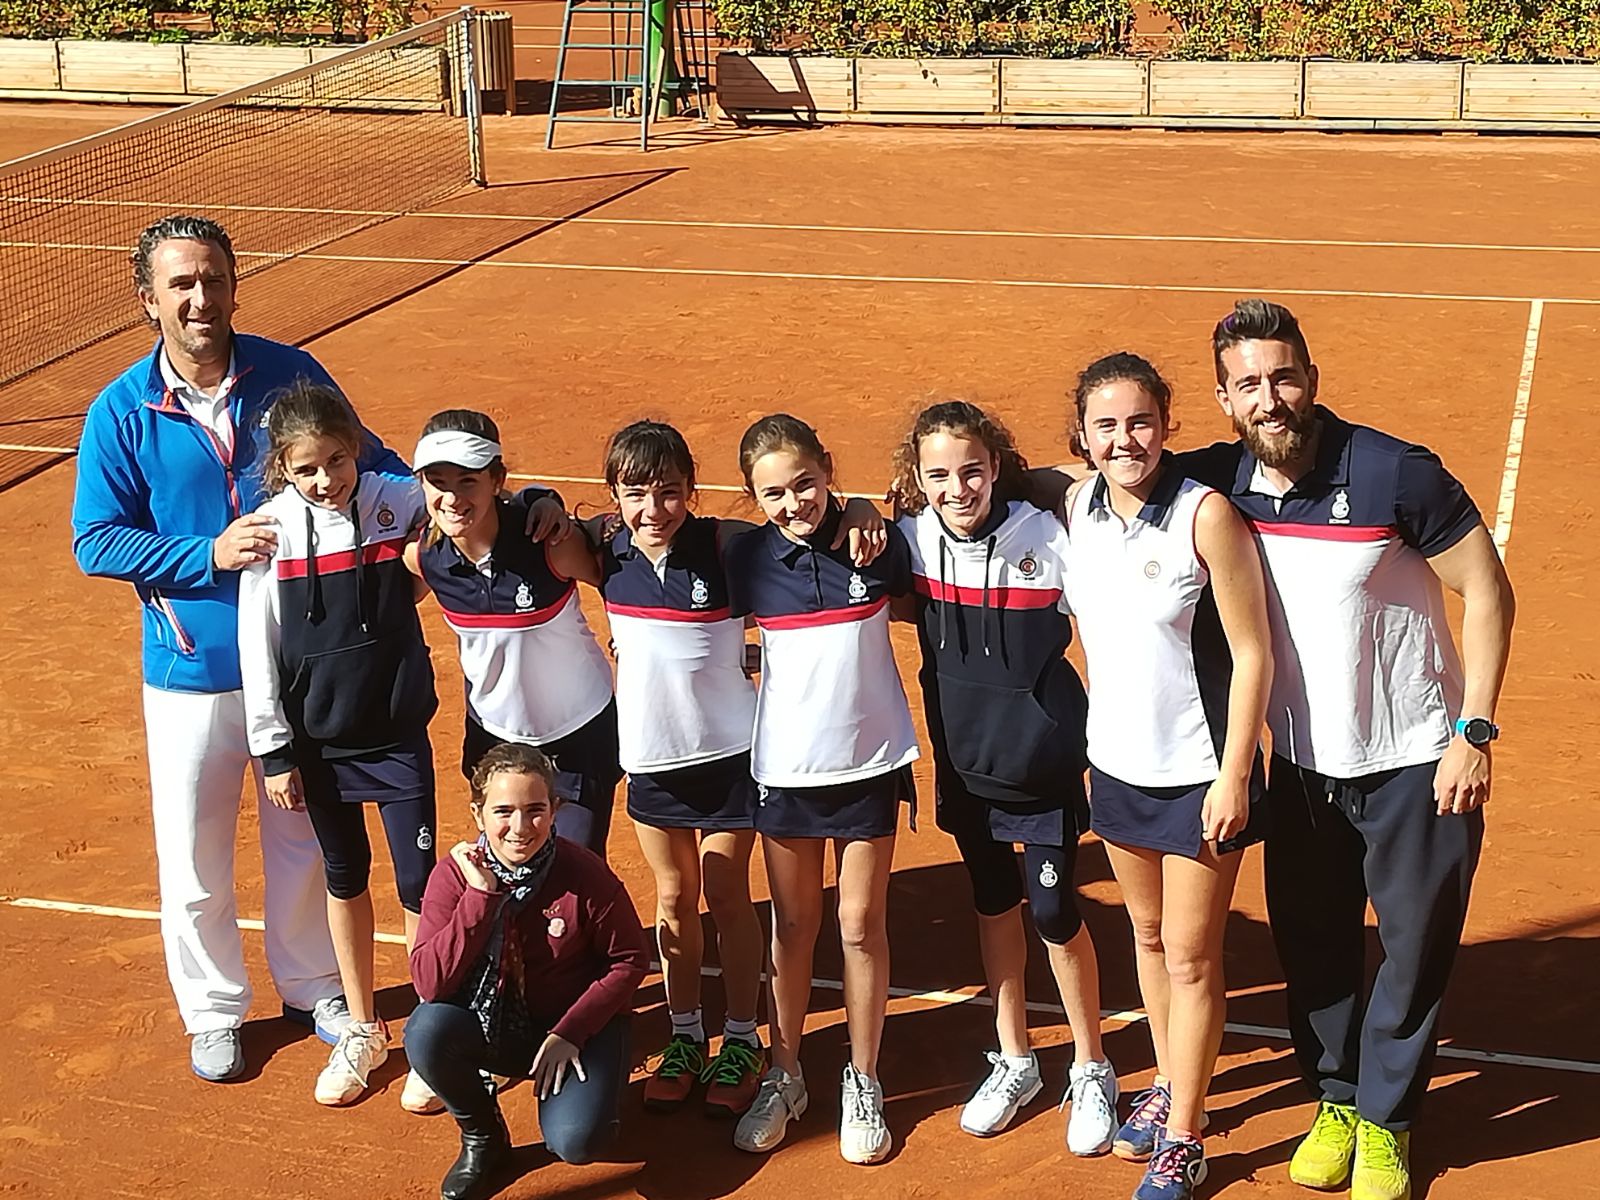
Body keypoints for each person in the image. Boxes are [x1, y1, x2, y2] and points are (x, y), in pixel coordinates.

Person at [1180, 300, 1515, 1200]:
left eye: (1284, 376)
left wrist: (1472, 731)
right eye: (1248, 384)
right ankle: (1336, 1099)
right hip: (1297, 769)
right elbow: (1100, 465)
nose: (1270, 398)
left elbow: (1486, 591)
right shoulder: (1215, 482)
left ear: (1312, 379)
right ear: (1223, 398)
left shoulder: (1395, 473)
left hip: (1415, 762)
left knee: (1413, 948)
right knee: (1315, 944)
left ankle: (1389, 1120)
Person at [71, 214, 407, 1081]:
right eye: (180, 284)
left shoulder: (290, 373)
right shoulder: (121, 410)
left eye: (213, 279)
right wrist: (205, 553)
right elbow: (95, 539)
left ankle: (310, 985)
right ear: (148, 300)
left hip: (301, 667)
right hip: (188, 670)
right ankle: (214, 1008)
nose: (199, 298)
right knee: (193, 850)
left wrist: (453, 499)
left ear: (233, 285)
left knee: (302, 838)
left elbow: (368, 463)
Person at [588, 419, 887, 1118]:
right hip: (650, 762)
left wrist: (867, 508)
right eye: (635, 495)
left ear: (693, 491)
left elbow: (816, 527)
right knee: (671, 899)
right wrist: (540, 502)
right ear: (614, 498)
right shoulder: (603, 551)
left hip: (729, 759)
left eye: (669, 492)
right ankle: (687, 1032)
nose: (653, 509)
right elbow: (528, 522)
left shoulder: (726, 546)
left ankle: (743, 1036)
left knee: (725, 891)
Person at [1058, 355, 1272, 1200]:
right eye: (1106, 425)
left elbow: (1253, 650)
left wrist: (1233, 775)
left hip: (1197, 773)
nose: (1125, 440)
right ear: (1083, 434)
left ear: (1168, 423)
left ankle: (1185, 1134)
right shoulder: (1076, 504)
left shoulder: (1204, 514)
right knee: (1146, 941)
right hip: (1114, 766)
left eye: (1140, 421)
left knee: (1190, 956)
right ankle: (1166, 1083)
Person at [887, 400, 1120, 1157]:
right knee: (993, 905)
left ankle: (1092, 1065)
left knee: (1053, 913)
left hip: (1041, 764)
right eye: (939, 476)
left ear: (996, 467)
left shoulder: (1048, 533)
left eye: (973, 470)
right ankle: (1015, 1056)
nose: (959, 489)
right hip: (966, 765)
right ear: (917, 481)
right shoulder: (910, 540)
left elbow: (1102, 492)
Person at [721, 414, 919, 1165]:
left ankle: (862, 1077)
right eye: (772, 493)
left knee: (862, 925)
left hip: (870, 765)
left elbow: (915, 579)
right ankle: (787, 1073)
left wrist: (867, 507)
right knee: (795, 930)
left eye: (804, 483)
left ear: (828, 470)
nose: (792, 502)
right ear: (752, 498)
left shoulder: (877, 544)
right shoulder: (745, 557)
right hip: (786, 774)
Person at [237, 383, 439, 1107]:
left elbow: (456, 492)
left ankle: (432, 1036)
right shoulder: (271, 531)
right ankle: (362, 1026)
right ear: (284, 471)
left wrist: (533, 497)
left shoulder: (394, 501)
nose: (327, 480)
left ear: (356, 448)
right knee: (344, 879)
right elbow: (257, 647)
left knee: (420, 888)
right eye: (308, 468)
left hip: (396, 733)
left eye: (337, 460)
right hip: (318, 747)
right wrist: (274, 750)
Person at [408, 742, 650, 1200]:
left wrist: (572, 1031)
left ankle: (590, 1099)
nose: (520, 828)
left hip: (573, 1032)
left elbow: (630, 959)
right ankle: (484, 1137)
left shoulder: (585, 875)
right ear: (478, 814)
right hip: (494, 1025)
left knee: (577, 1142)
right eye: (503, 811)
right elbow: (429, 982)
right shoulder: (455, 877)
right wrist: (481, 898)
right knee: (427, 1030)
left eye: (535, 810)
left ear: (555, 810)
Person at [405, 410, 621, 858]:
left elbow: (619, 583)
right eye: (438, 481)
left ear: (497, 478)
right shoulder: (425, 558)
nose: (452, 497)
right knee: (511, 873)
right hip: (494, 737)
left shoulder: (549, 542)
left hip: (578, 735)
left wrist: (627, 639)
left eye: (468, 481)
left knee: (576, 874)